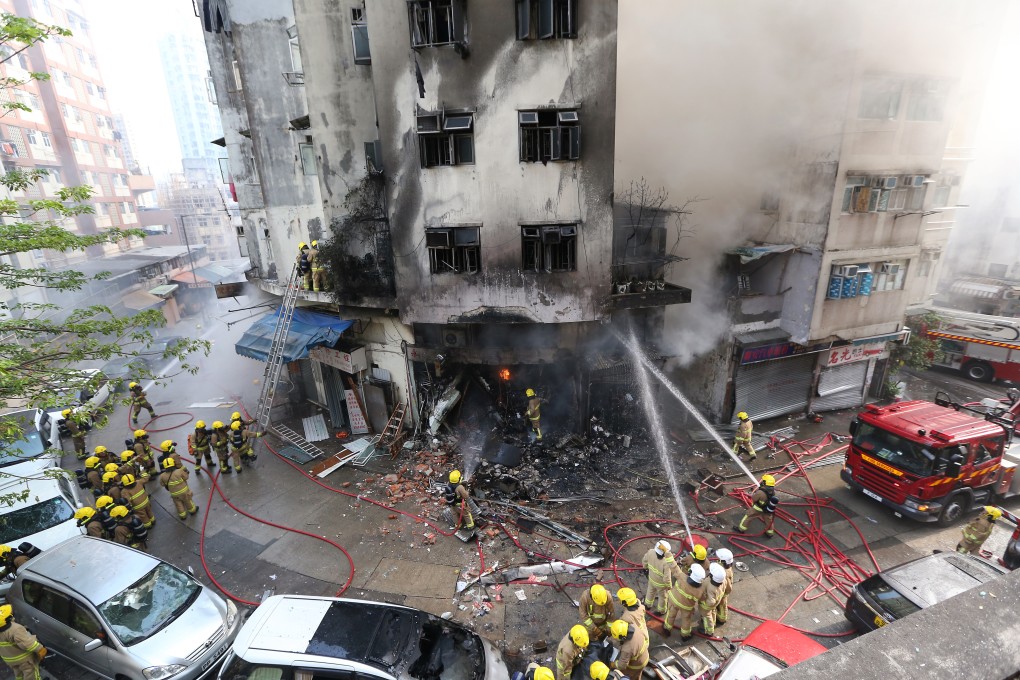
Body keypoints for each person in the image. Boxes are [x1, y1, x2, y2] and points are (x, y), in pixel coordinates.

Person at [0, 603, 46, 680]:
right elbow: (26, 644)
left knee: (19, 674)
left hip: (10, 660)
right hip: (24, 660)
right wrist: (40, 649)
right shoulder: (15, 629)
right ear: (9, 618)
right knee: (31, 674)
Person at [663, 563, 706, 641]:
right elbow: (703, 599)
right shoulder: (700, 590)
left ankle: (667, 628)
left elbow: (674, 567)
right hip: (686, 607)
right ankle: (685, 635)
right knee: (686, 620)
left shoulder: (682, 576)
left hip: (673, 601)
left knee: (671, 615)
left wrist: (667, 553)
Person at [641, 540, 675, 615]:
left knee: (650, 591)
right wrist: (669, 587)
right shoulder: (666, 562)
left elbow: (644, 561)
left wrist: (645, 568)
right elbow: (667, 578)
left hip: (651, 578)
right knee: (662, 597)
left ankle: (647, 605)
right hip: (661, 585)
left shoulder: (650, 552)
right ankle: (661, 610)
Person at [699, 563, 727, 636]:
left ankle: (709, 631)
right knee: (713, 611)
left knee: (707, 616)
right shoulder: (723, 581)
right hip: (717, 601)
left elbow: (710, 602)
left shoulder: (708, 584)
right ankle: (713, 623)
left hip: (706, 605)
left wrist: (703, 601)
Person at [713, 548, 735, 626]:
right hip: (723, 591)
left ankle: (722, 619)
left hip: (723, 592)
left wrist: (724, 594)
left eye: (719, 559)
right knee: (721, 605)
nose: (717, 559)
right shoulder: (727, 568)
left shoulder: (724, 573)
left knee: (722, 605)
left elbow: (728, 587)